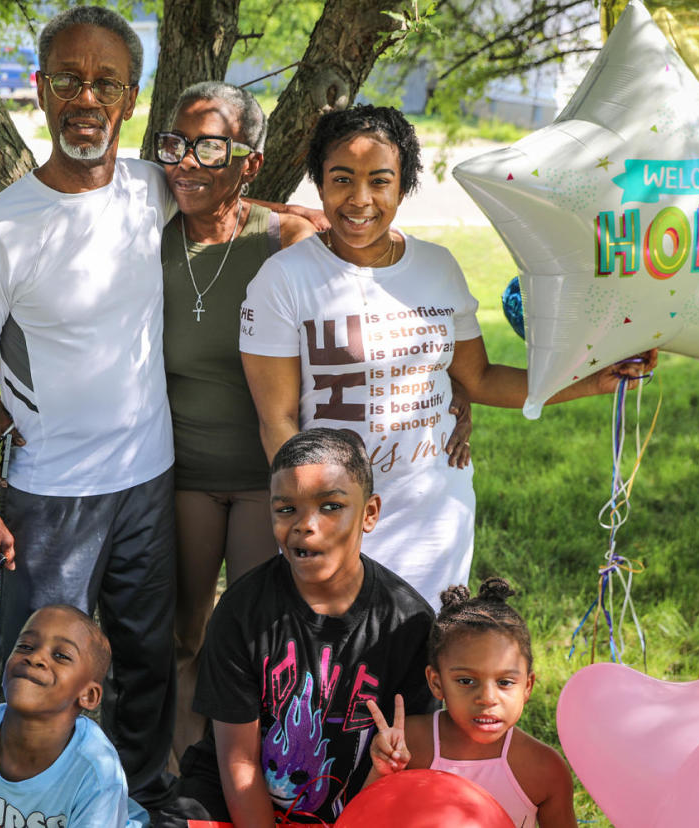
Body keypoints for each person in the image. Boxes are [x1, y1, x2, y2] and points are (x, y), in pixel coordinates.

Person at [239, 104, 656, 608]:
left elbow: (478, 379)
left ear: (403, 185)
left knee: (426, 665)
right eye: (342, 179)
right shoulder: (283, 280)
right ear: (320, 182)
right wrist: (318, 517)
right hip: (335, 521)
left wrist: (592, 379)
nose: (360, 199)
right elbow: (277, 421)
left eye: (380, 181)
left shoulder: (437, 267)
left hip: (434, 515)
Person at [0, 6, 179, 806]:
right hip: (49, 492)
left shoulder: (151, 190)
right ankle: (27, 805)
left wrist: (302, 222)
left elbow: (230, 208)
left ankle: (134, 801)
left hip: (150, 478)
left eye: (106, 82)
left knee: (144, 655)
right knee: (35, 667)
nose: (87, 98)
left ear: (131, 98)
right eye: (70, 79)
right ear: (40, 91)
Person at [155, 428, 437, 826]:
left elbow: (412, 767)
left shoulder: (408, 625)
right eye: (286, 509)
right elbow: (239, 762)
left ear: (370, 513)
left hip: (358, 807)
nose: (306, 525)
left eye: (331, 506)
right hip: (240, 801)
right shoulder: (241, 613)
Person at [154, 81, 318, 765]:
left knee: (260, 636)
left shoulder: (287, 238)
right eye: (176, 145)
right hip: (181, 474)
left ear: (249, 162)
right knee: (180, 635)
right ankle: (180, 776)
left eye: (211, 147)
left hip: (264, 475)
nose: (187, 163)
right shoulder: (145, 231)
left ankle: (260, 774)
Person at [364, 578, 576, 828]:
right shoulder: (410, 744)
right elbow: (364, 817)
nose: (487, 699)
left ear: (527, 686)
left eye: (505, 682)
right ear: (437, 683)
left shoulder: (543, 769)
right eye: (466, 681)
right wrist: (382, 772)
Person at [0, 605, 147, 828]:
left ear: (88, 696)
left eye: (61, 655)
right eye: (25, 646)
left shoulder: (95, 772)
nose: (35, 657)